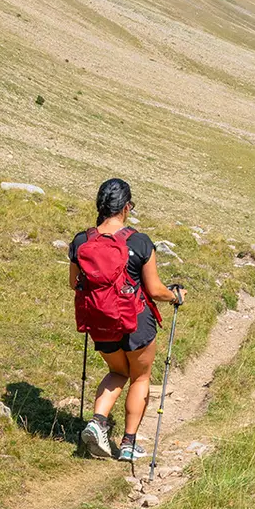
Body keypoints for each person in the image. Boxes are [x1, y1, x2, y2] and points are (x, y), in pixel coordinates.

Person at [69, 177, 182, 461]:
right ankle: (129, 443)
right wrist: (175, 296)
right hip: (136, 323)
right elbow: (155, 290)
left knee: (117, 372)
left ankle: (97, 422)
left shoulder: (82, 241)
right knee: (140, 377)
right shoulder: (140, 242)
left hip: (101, 322)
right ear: (126, 207)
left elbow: (75, 284)